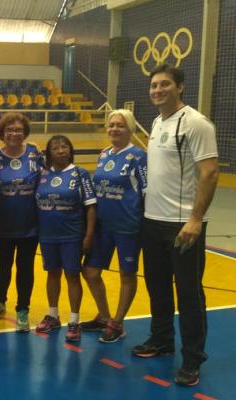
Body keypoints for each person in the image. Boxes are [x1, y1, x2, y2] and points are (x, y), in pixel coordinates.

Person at [132, 64, 219, 387]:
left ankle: (193, 359)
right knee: (157, 287)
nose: (158, 90)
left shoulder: (196, 123)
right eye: (154, 85)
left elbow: (209, 172)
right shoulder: (157, 122)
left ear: (180, 87)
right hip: (153, 222)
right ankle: (161, 339)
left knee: (189, 294)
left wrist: (195, 219)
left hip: (182, 226)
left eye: (165, 84)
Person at [81, 109, 147, 343]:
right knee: (90, 272)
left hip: (128, 226)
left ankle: (117, 324)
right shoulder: (104, 154)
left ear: (130, 129)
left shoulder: (139, 156)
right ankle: (104, 317)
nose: (114, 129)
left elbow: (147, 191)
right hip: (102, 226)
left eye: (120, 125)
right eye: (111, 125)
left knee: (127, 274)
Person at [34, 135, 96, 342]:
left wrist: (88, 236)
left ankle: (74, 321)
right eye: (55, 148)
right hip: (47, 235)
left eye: (64, 147)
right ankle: (53, 316)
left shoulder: (80, 174)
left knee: (72, 276)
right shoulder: (42, 174)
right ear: (49, 153)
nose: (60, 151)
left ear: (70, 150)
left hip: (72, 235)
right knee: (52, 274)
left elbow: (91, 207)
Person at [0, 112, 44, 332]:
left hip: (29, 223)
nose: (14, 133)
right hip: (2, 223)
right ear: (2, 132)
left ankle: (23, 309)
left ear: (25, 132)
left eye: (18, 129)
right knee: (3, 265)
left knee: (25, 267)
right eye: (9, 129)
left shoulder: (35, 154)